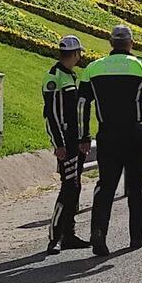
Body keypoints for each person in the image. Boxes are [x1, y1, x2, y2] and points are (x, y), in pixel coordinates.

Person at [78, 25, 142, 256]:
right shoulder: (141, 66)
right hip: (135, 135)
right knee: (137, 186)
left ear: (111, 43)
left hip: (107, 135)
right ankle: (137, 236)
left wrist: (83, 135)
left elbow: (81, 106)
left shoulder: (93, 68)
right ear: (131, 43)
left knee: (105, 185)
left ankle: (98, 231)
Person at [42, 35, 91, 255]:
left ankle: (69, 234)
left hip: (75, 141)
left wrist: (84, 137)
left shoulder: (70, 75)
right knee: (68, 187)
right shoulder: (54, 77)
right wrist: (59, 144)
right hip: (66, 143)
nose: (80, 56)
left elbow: (77, 113)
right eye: (79, 53)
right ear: (73, 54)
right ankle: (55, 236)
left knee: (75, 186)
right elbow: (51, 115)